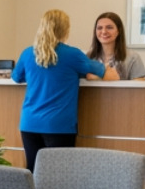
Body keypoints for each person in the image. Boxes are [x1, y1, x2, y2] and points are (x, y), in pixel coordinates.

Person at [11, 9, 105, 169]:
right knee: (59, 175)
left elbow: (16, 77)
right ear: (65, 30)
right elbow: (104, 72)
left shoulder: (28, 53)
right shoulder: (72, 54)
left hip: (29, 123)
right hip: (58, 125)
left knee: (33, 171)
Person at [87, 10, 145, 80]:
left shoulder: (133, 57)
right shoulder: (88, 57)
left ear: (118, 31)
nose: (103, 31)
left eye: (109, 27)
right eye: (99, 28)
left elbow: (140, 87)